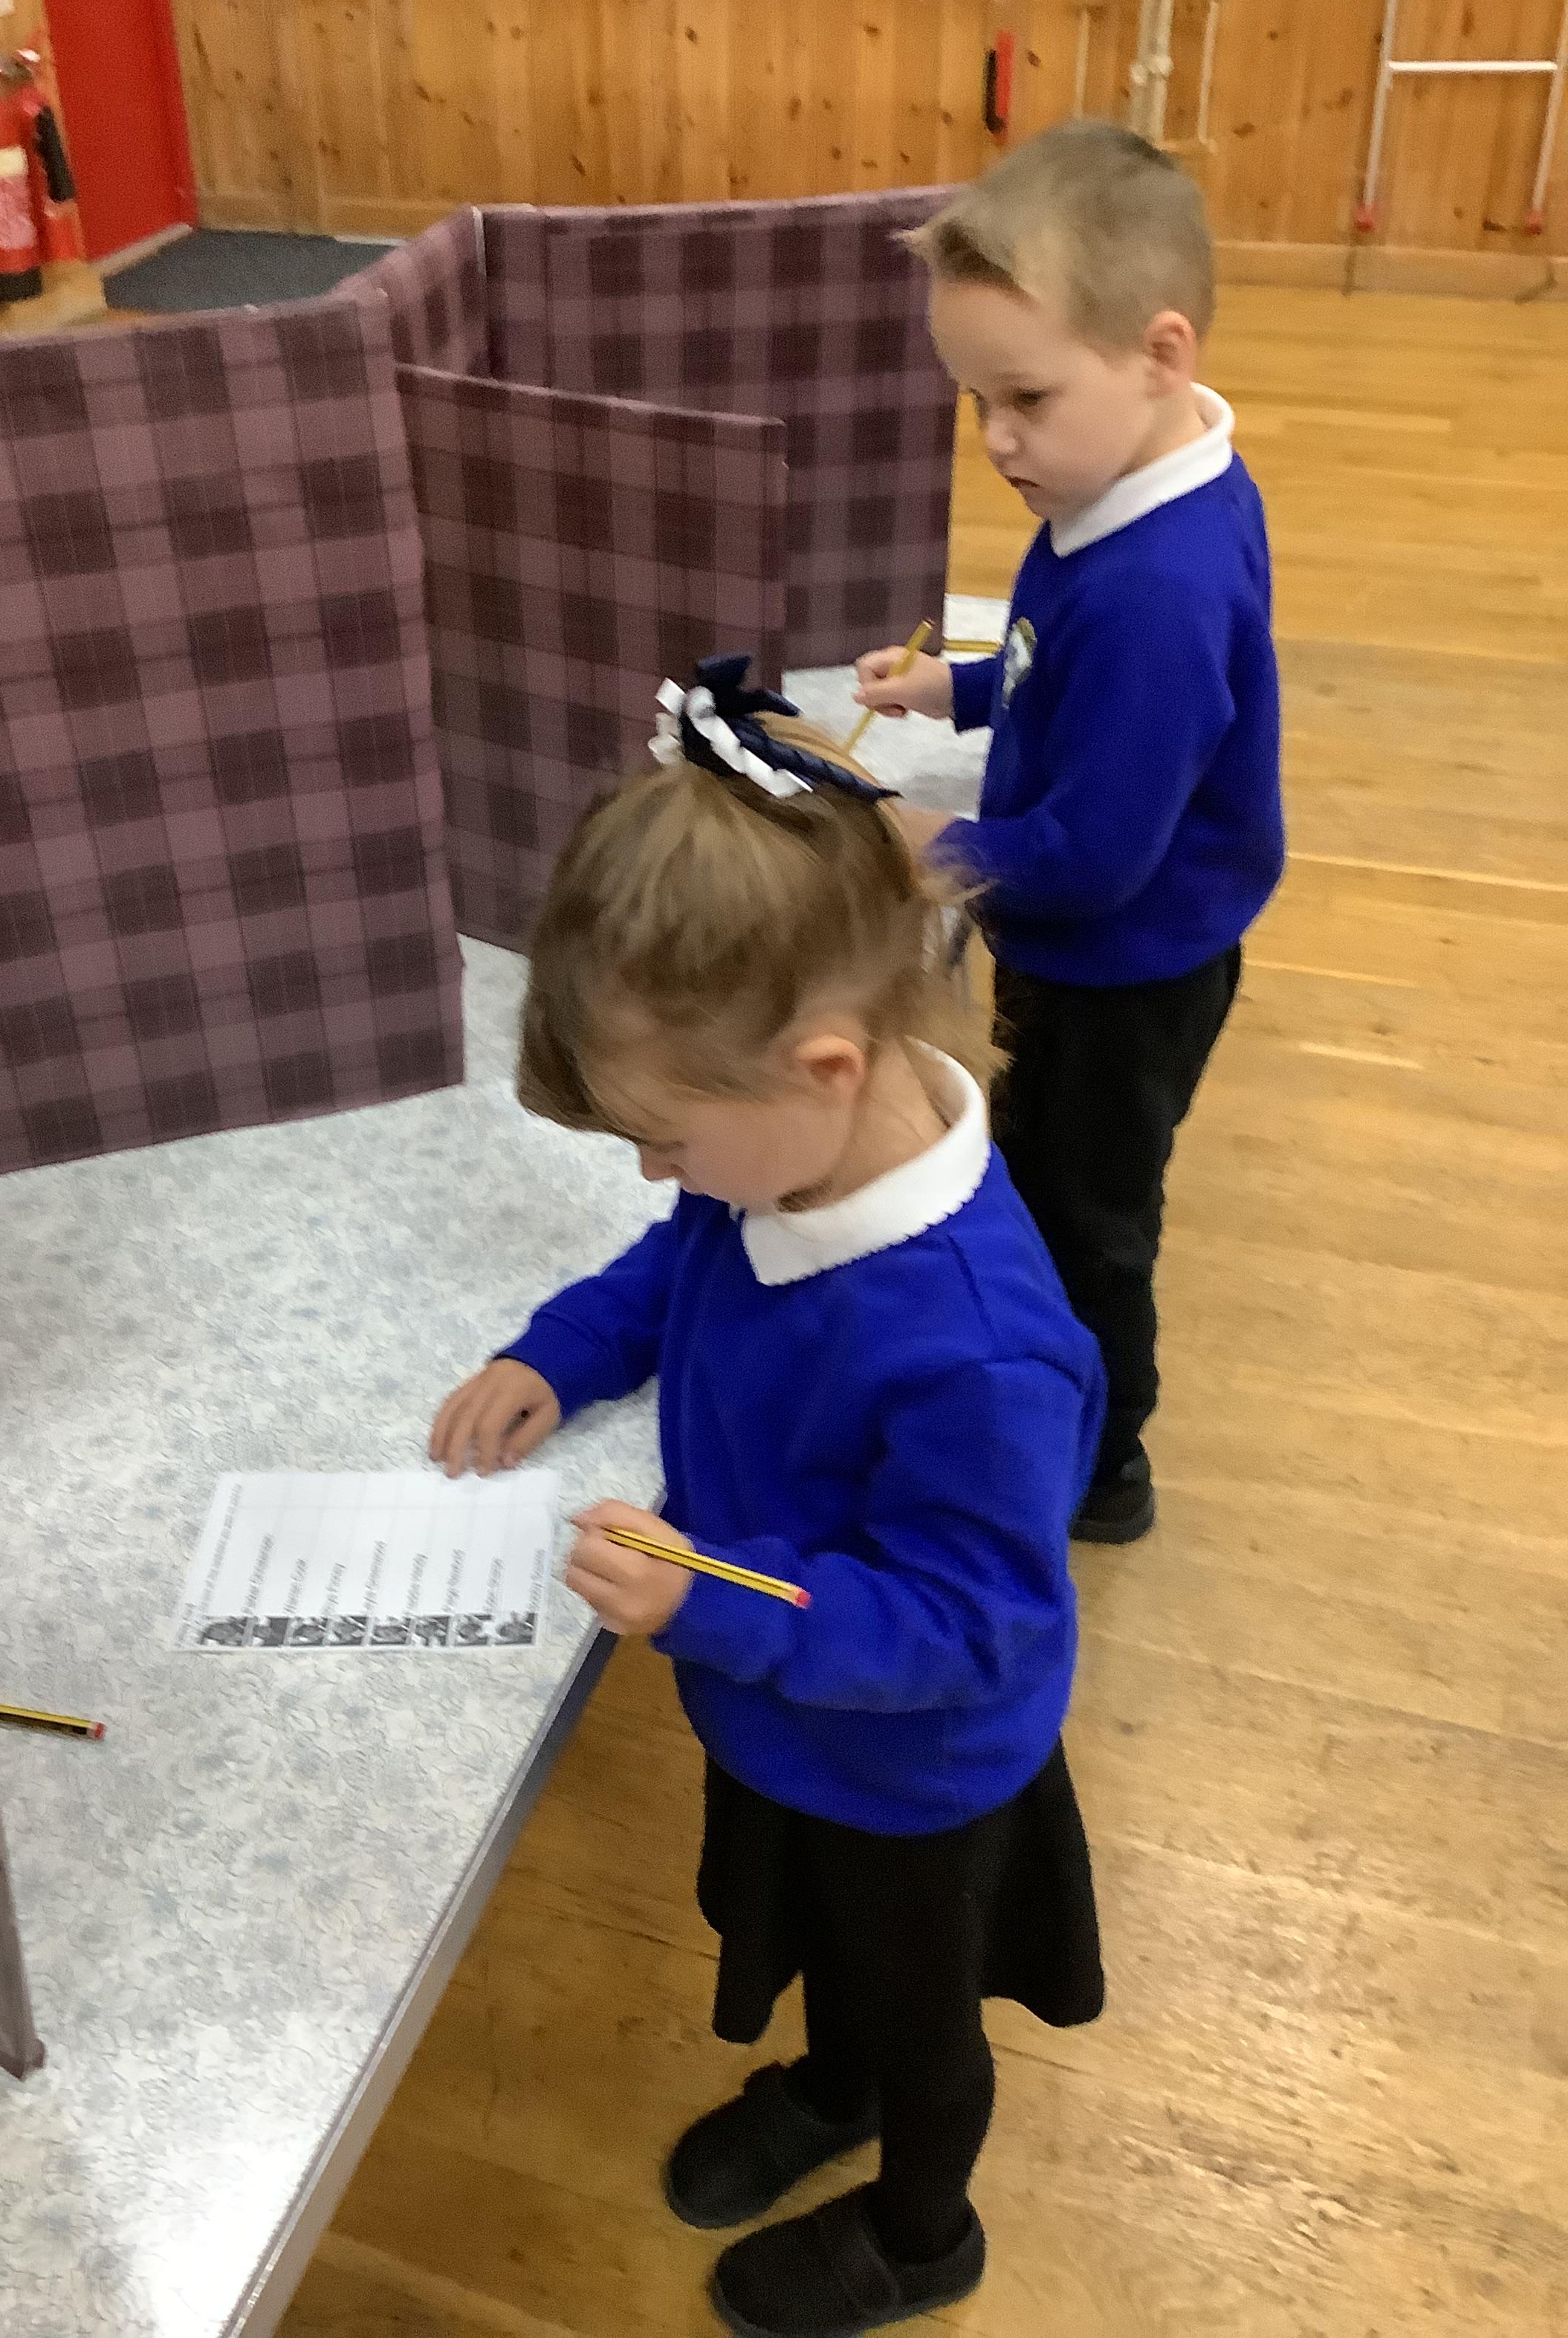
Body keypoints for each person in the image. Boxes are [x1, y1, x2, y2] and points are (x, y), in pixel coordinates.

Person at [431, 658, 1107, 2338]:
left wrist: (706, 1595)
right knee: (830, 1954)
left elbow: (968, 1618)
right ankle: (835, 2083)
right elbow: (681, 1262)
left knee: (923, 2011)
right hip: (793, 1718)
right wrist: (560, 1353)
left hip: (914, 1768)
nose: (652, 1171)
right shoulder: (782, 1164)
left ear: (823, 1065)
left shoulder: (975, 1354)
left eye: (663, 1137)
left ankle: (924, 2227)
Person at [853, 120, 1285, 1544]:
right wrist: (959, 689)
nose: (996, 441)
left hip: (1124, 970)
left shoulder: (1157, 585)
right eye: (976, 401)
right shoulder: (1127, 481)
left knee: (1089, 1218)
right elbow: (1061, 672)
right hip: (1096, 945)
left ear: (1160, 353)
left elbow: (1096, 860)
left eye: (1025, 398)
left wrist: (931, 845)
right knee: (1045, 1180)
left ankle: (1101, 1474)